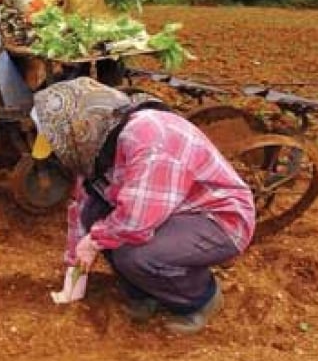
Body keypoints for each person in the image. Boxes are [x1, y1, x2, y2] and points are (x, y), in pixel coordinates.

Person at [30, 77, 256, 334]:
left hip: (217, 219)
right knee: (97, 216)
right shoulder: (97, 145)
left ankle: (199, 300)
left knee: (137, 255)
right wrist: (74, 268)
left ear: (80, 124)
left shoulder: (149, 138)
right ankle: (145, 293)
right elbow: (81, 208)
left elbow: (136, 222)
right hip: (165, 211)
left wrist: (93, 242)